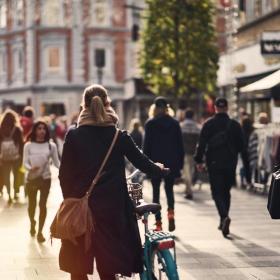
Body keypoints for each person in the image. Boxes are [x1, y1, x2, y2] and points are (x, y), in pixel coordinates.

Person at [58, 85, 168, 280]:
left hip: (81, 209)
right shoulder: (119, 136)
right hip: (112, 209)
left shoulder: (74, 136)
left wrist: (72, 201)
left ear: (83, 106)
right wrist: (158, 169)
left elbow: (64, 175)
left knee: (78, 267)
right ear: (108, 104)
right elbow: (142, 162)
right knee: (108, 268)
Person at [194, 97, 250, 237]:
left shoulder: (209, 124)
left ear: (215, 108)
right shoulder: (235, 125)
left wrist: (199, 160)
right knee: (226, 191)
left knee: (216, 192)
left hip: (214, 163)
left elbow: (201, 144)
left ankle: (224, 217)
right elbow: (243, 147)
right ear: (227, 108)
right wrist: (247, 171)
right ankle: (223, 219)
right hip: (230, 163)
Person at [143, 96, 184, 232]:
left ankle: (158, 222)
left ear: (154, 108)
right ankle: (171, 214)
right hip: (171, 163)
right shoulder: (174, 123)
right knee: (169, 190)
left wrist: (145, 165)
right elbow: (180, 146)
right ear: (167, 108)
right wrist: (180, 165)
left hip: (155, 163)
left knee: (155, 193)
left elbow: (146, 147)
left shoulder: (150, 124)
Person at [23, 121, 60, 242]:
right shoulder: (28, 145)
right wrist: (30, 168)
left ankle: (40, 231)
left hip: (45, 179)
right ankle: (32, 222)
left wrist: (68, 169)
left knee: (42, 205)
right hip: (32, 179)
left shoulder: (51, 146)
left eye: (44, 128)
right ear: (35, 130)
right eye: (39, 128)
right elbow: (24, 163)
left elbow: (57, 163)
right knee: (32, 205)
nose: (42, 131)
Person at [0, 109, 24, 203]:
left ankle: (9, 195)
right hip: (16, 157)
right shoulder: (17, 129)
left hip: (4, 157)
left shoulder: (0, 129)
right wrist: (22, 156)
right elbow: (21, 144)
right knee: (16, 175)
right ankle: (15, 193)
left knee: (6, 176)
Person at [180, 108, 200, 200]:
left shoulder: (181, 126)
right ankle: (188, 189)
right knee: (190, 170)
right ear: (193, 116)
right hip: (193, 152)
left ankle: (189, 190)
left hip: (183, 152)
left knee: (186, 171)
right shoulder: (197, 127)